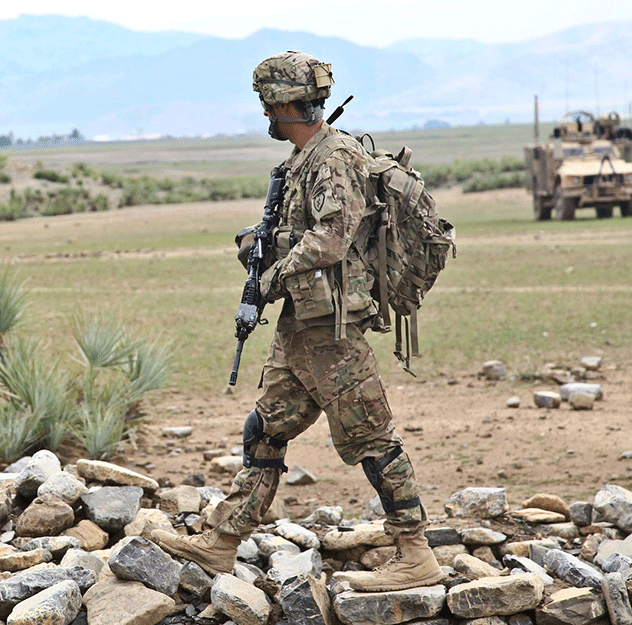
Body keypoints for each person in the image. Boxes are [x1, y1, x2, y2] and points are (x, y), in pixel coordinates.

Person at [152, 50, 445, 592]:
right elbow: (305, 229)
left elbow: (332, 239)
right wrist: (258, 245)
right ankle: (222, 543)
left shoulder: (334, 157)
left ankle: (415, 553)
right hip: (303, 325)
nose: (266, 116)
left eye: (269, 105)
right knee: (266, 428)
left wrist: (272, 275)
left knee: (372, 437)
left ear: (289, 103)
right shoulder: (302, 159)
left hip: (332, 328)